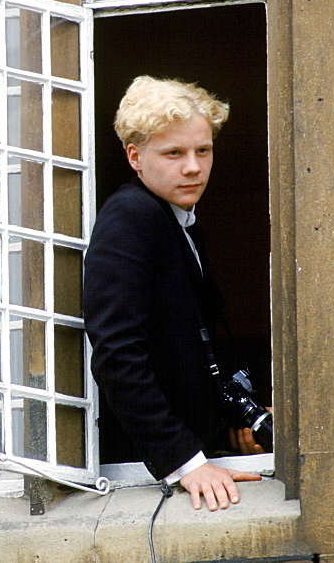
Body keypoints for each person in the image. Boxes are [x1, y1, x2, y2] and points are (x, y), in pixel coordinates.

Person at [83, 75, 263, 512]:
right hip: (144, 482)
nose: (193, 167)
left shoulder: (174, 218)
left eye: (203, 150)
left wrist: (233, 421)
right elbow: (116, 353)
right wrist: (184, 462)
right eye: (174, 153)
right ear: (135, 157)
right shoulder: (130, 216)